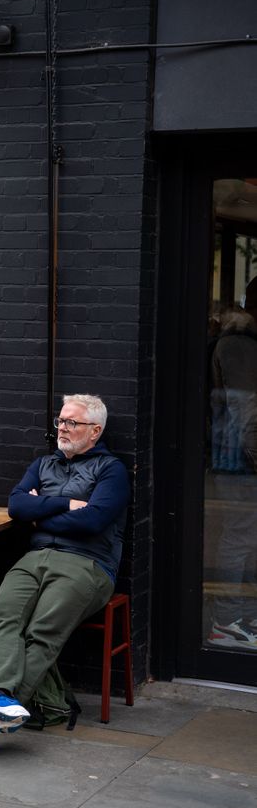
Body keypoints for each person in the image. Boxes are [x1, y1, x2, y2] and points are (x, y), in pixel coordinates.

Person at [0, 393, 130, 750]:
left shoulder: (111, 470)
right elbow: (17, 505)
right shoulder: (44, 464)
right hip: (36, 557)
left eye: (71, 422)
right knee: (3, 614)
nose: (62, 428)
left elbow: (93, 521)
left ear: (95, 431)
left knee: (43, 629)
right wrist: (66, 505)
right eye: (60, 421)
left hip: (88, 564)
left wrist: (40, 511)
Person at [207, 278, 257, 650]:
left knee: (244, 540)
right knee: (238, 540)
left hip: (237, 459)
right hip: (239, 462)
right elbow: (246, 410)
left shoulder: (239, 341)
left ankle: (239, 615)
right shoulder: (240, 344)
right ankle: (226, 621)